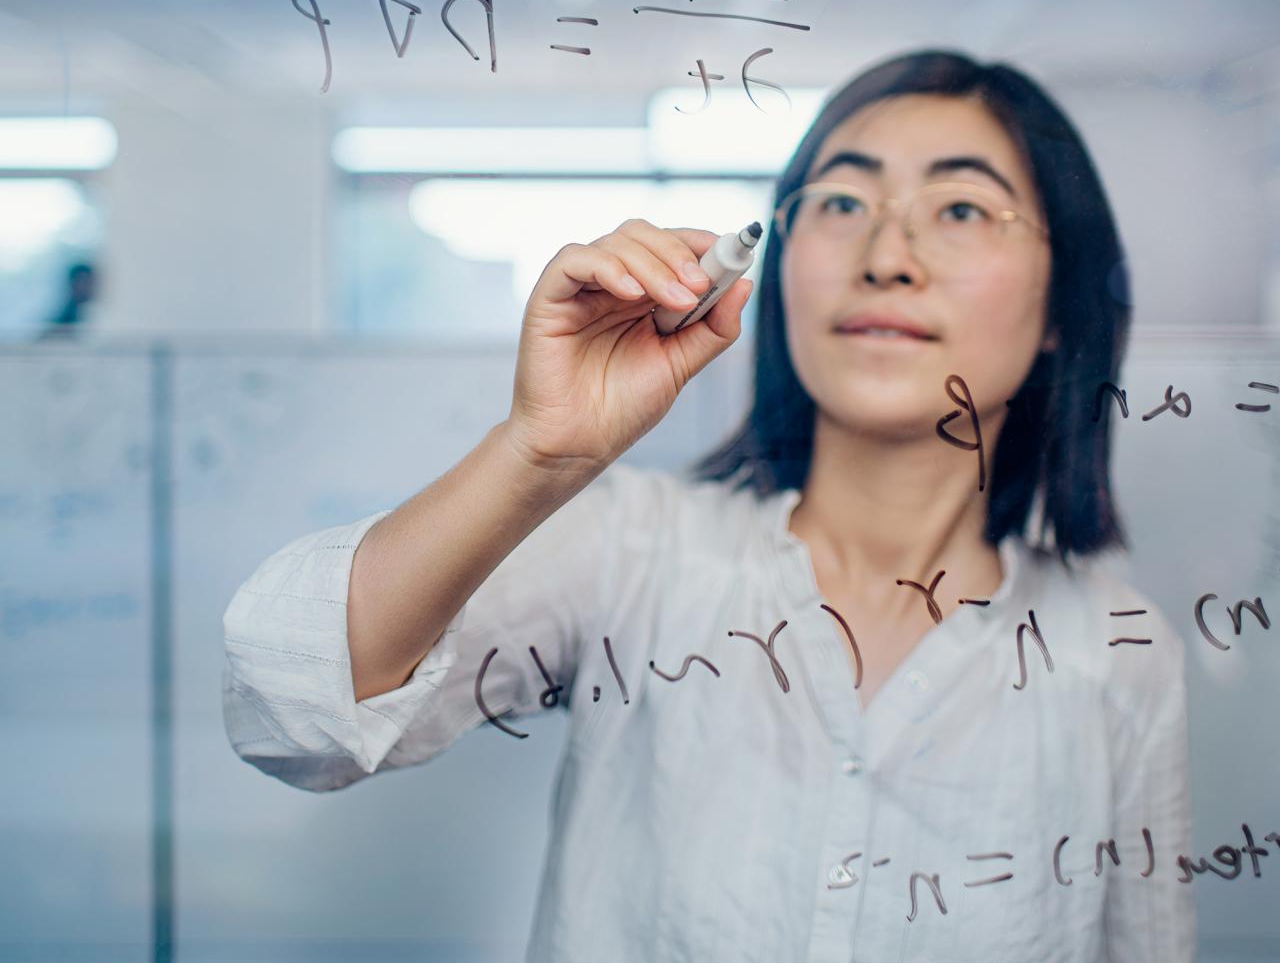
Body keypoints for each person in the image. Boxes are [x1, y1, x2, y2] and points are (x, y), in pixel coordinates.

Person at [222, 49, 1193, 960]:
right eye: (842, 200)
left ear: (1063, 306)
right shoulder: (633, 548)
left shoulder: (1115, 648)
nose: (886, 252)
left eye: (961, 210)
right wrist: (536, 451)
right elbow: (291, 711)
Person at [37, 261, 99, 340]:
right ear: (72, 284)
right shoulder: (64, 318)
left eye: (91, 283)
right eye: (83, 282)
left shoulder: (94, 315)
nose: (88, 287)